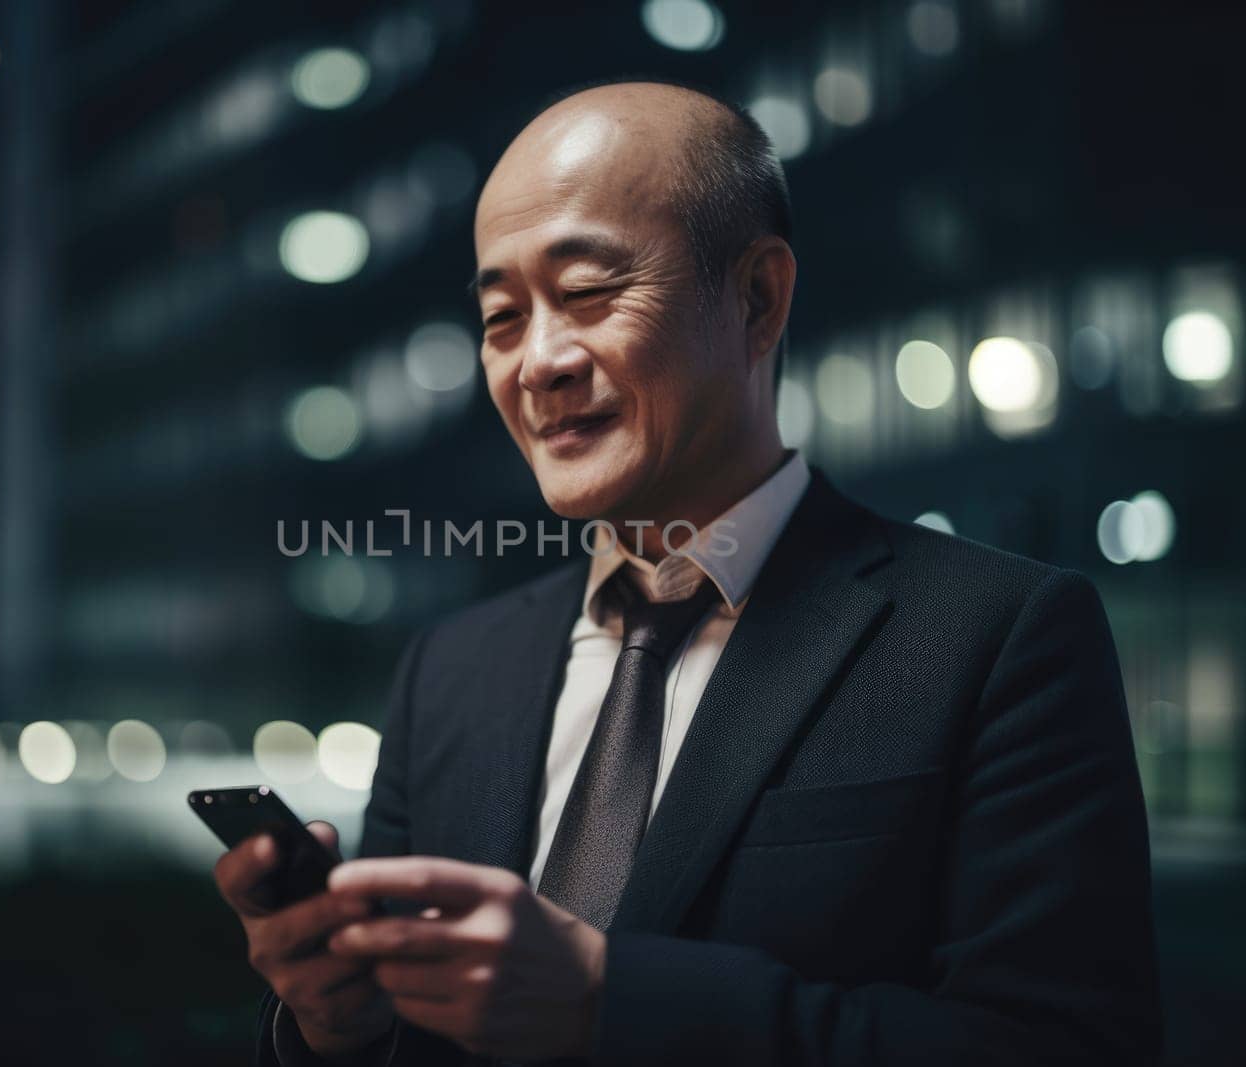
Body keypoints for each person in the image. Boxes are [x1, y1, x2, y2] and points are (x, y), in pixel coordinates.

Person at [215, 79, 1161, 1066]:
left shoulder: (998, 634)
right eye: (501, 317)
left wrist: (608, 999)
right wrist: (345, 1026)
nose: (536, 360)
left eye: (585, 292)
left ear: (757, 297)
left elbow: (1067, 1044)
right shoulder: (450, 671)